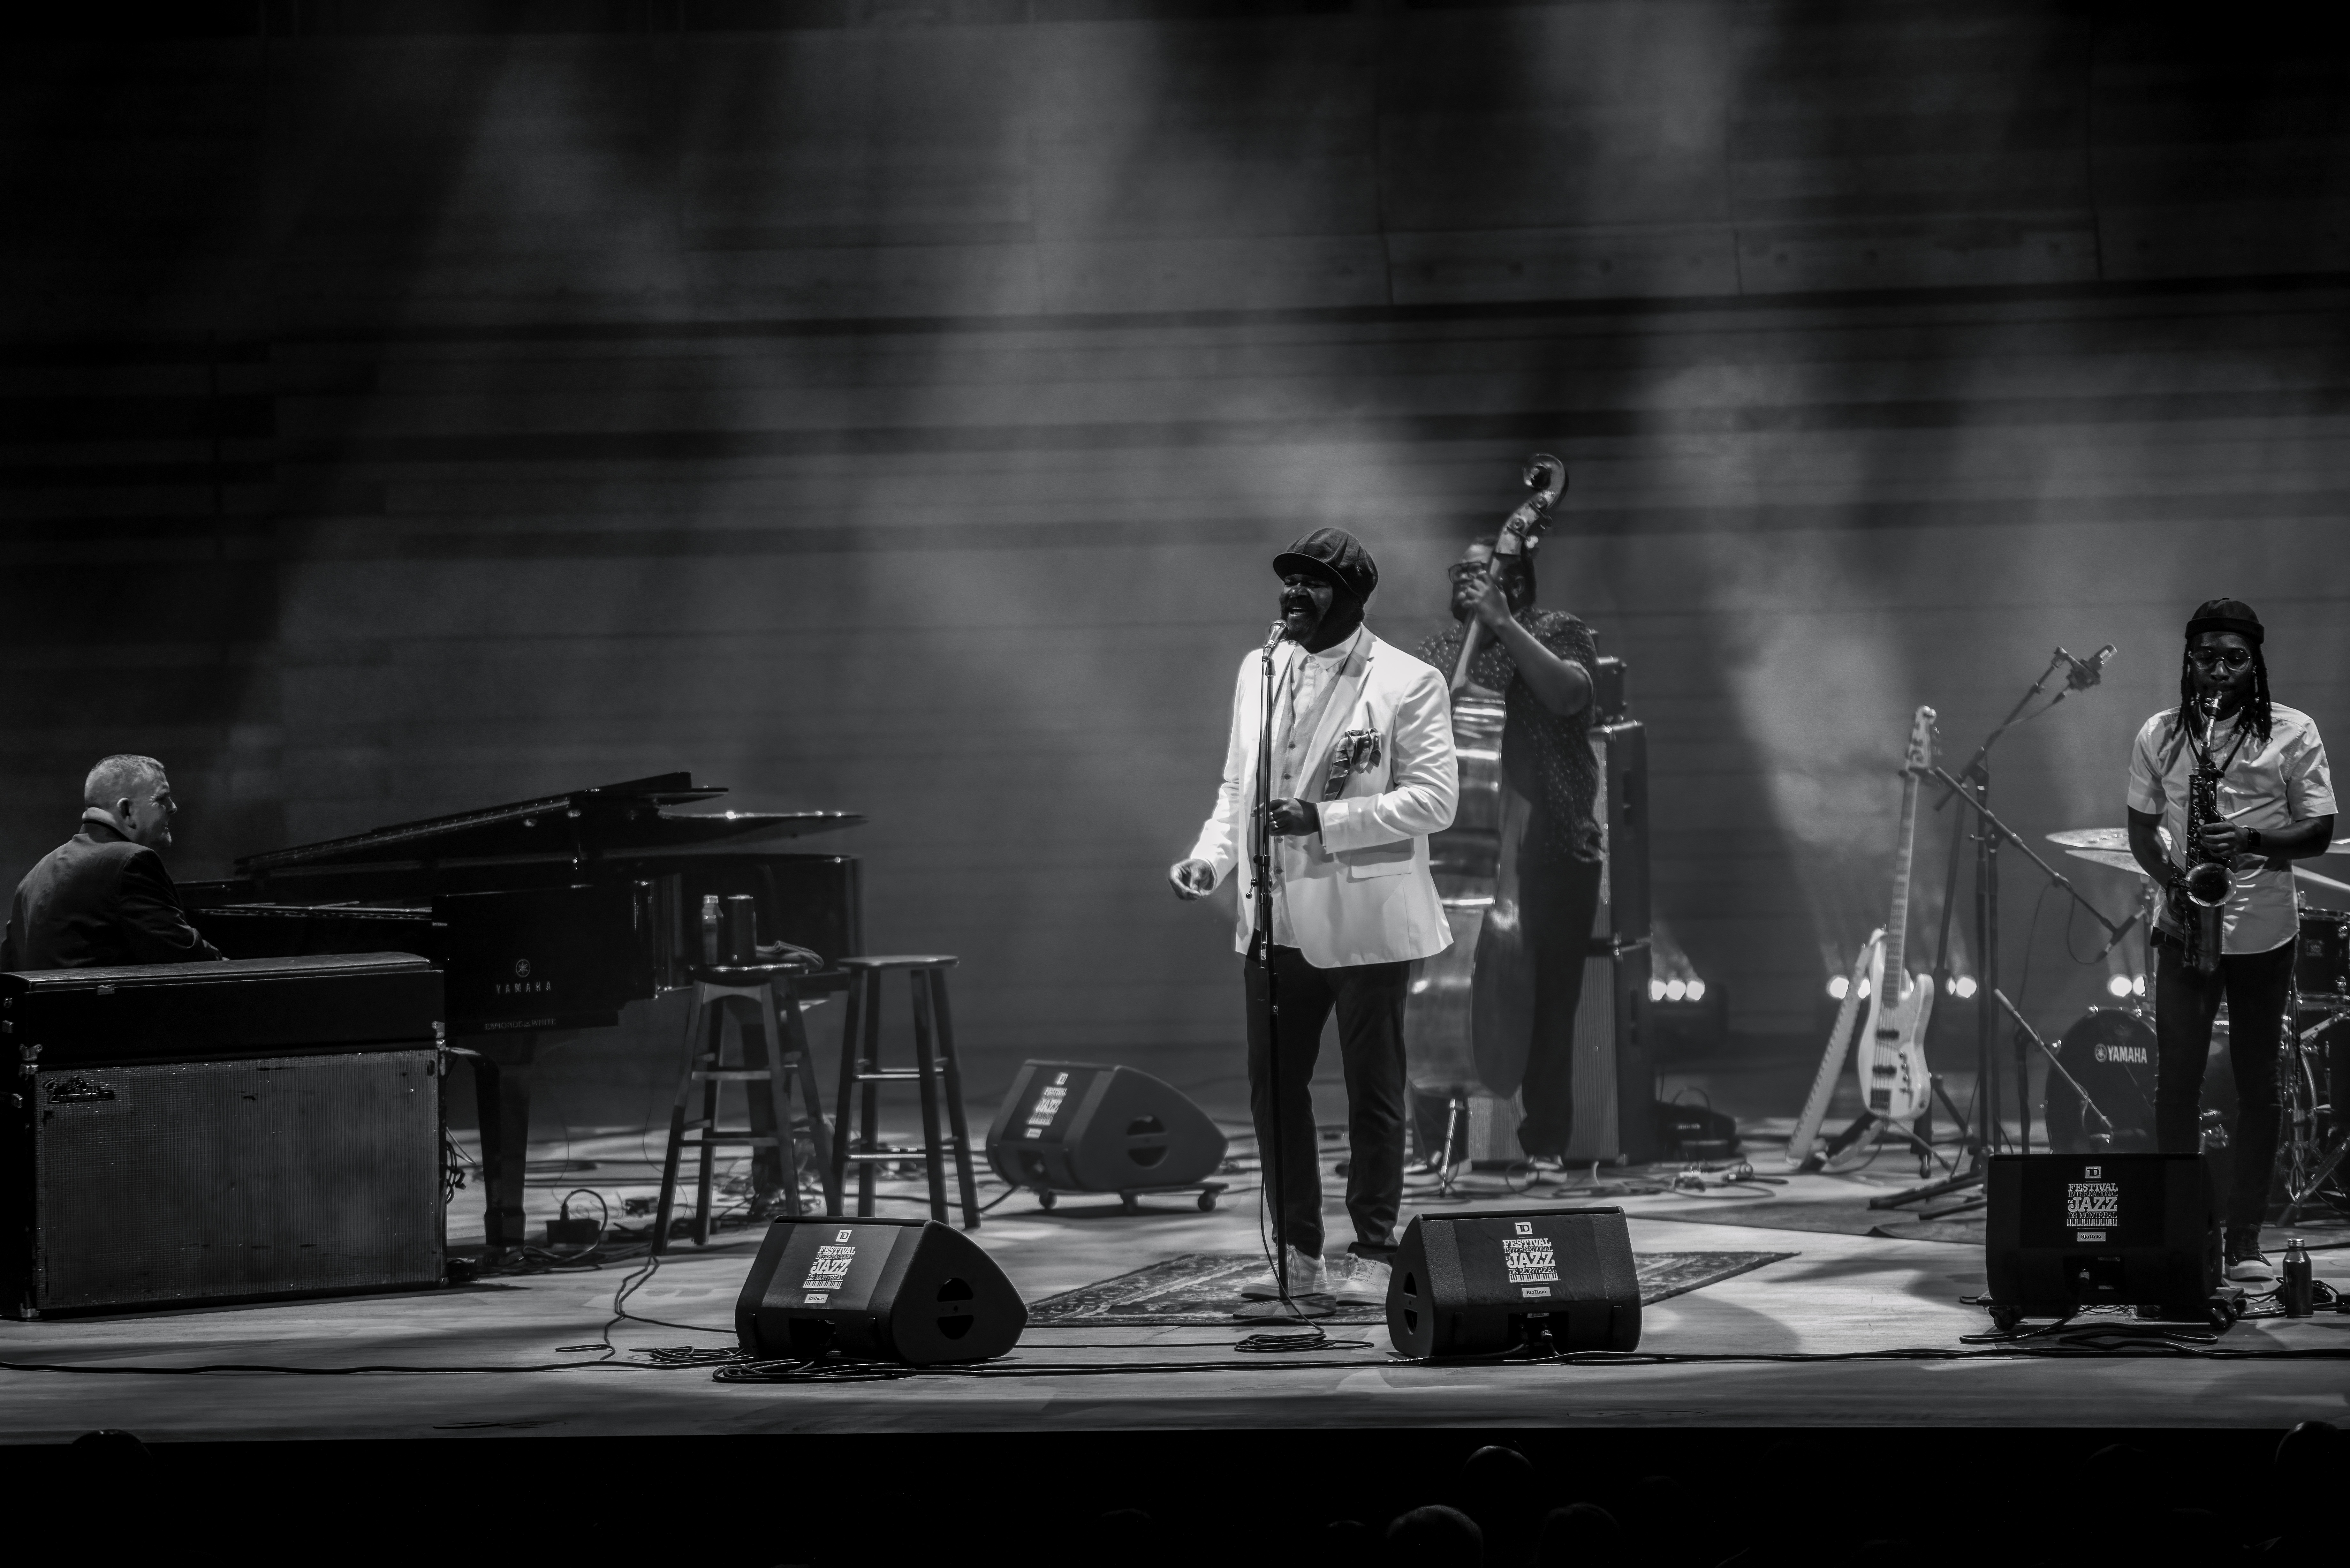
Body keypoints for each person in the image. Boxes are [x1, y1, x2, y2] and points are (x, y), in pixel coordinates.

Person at [1171, 528, 1458, 1309]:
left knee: (1372, 1090)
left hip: (1365, 915)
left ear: (1353, 597)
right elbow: (1238, 787)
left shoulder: (1408, 679)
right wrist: (1210, 859)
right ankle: (1297, 1247)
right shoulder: (1258, 669)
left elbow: (1434, 800)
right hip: (1275, 915)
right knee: (1274, 1087)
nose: (1293, 593)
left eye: (1314, 582)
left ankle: (1372, 1247)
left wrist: (1323, 820)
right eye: (1288, 580)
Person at [2126, 599, 2334, 1284]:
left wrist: (2246, 840)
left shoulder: (2292, 729)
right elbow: (2138, 827)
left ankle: (2243, 1235)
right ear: (2187, 659)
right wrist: (2171, 883)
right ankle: (2182, 1228)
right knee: (2175, 1083)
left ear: (2255, 663)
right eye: (2205, 655)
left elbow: (2318, 832)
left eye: (2233, 658)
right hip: (2185, 923)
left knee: (2257, 1085)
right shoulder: (2159, 733)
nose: (2218, 669)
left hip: (2265, 930)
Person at [1416, 535, 1599, 1158]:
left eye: (1483, 570)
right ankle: (1436, 1146)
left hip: (1553, 850)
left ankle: (1543, 1144)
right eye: (1461, 570)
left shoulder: (1557, 630)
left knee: (1547, 1009)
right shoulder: (1441, 654)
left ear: (1514, 577)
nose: (1467, 580)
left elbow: (1569, 694)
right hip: (1461, 857)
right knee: (1433, 996)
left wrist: (1502, 624)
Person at [1, 755, 225, 971]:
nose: (173, 807)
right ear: (127, 810)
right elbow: (186, 956)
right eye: (161, 799)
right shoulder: (131, 862)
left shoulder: (33, 877)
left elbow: (9, 966)